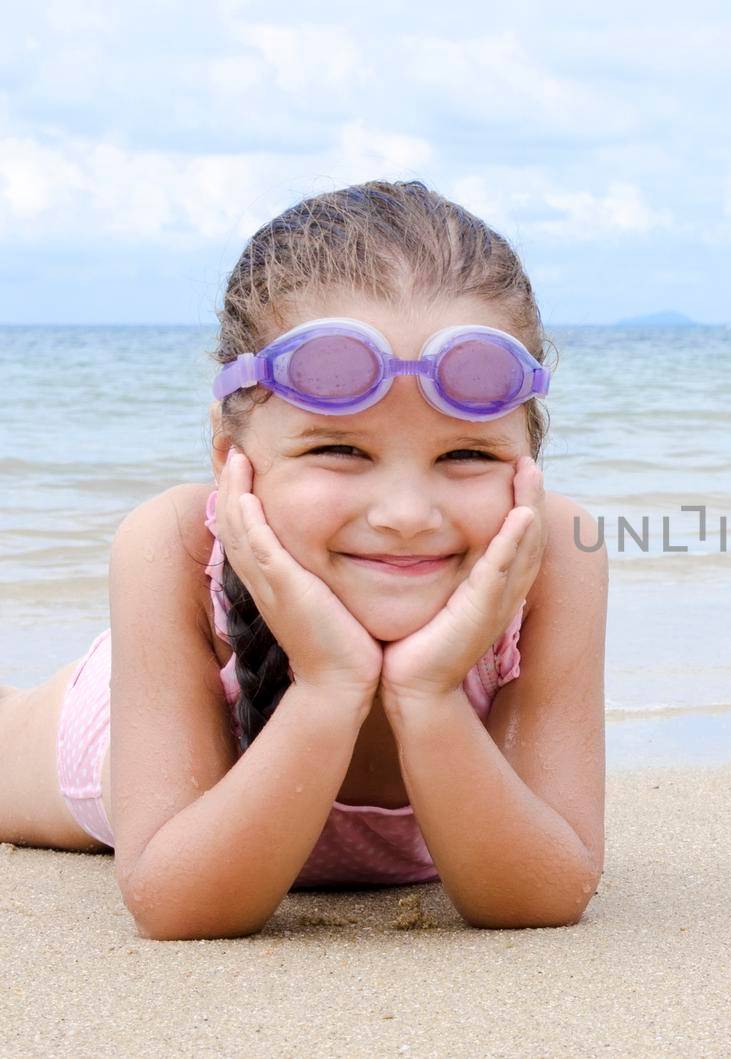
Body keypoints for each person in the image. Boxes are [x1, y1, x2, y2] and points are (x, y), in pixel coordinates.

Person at [0, 180, 608, 940]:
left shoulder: (558, 555)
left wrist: (425, 694)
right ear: (234, 460)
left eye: (465, 453)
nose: (405, 514)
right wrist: (328, 687)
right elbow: (179, 902)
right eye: (339, 448)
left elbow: (544, 894)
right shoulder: (174, 545)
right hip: (125, 728)